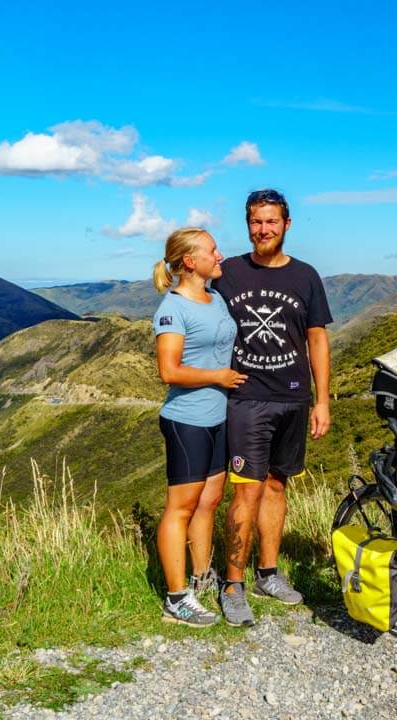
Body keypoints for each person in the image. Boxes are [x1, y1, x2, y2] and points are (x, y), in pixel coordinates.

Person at [211, 189, 332, 626]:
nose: (263, 230)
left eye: (271, 222)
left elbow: (316, 338)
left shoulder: (305, 277)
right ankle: (232, 584)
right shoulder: (228, 273)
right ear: (247, 224)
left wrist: (322, 400)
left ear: (287, 224)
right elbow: (192, 301)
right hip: (246, 399)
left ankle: (268, 572)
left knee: (277, 486)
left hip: (294, 398)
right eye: (256, 222)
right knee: (247, 488)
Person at [152, 227, 247, 627]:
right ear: (190, 261)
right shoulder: (173, 310)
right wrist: (218, 378)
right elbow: (168, 370)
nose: (219, 255)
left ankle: (201, 577)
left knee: (209, 501)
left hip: (218, 417)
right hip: (187, 420)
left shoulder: (217, 298)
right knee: (181, 507)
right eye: (212, 251)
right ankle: (177, 598)